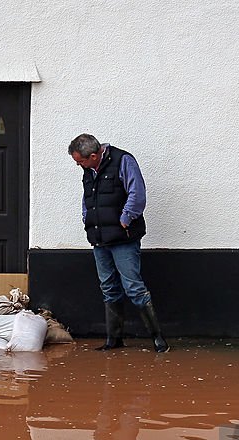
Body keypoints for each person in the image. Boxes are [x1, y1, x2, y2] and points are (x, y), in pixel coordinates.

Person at [68, 133, 169, 353]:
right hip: (99, 238)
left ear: (94, 155)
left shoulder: (123, 161)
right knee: (108, 288)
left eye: (80, 161)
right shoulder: (89, 170)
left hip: (123, 238)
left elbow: (137, 194)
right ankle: (114, 339)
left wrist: (125, 220)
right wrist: (87, 220)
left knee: (133, 287)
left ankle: (158, 338)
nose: (78, 165)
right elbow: (88, 200)